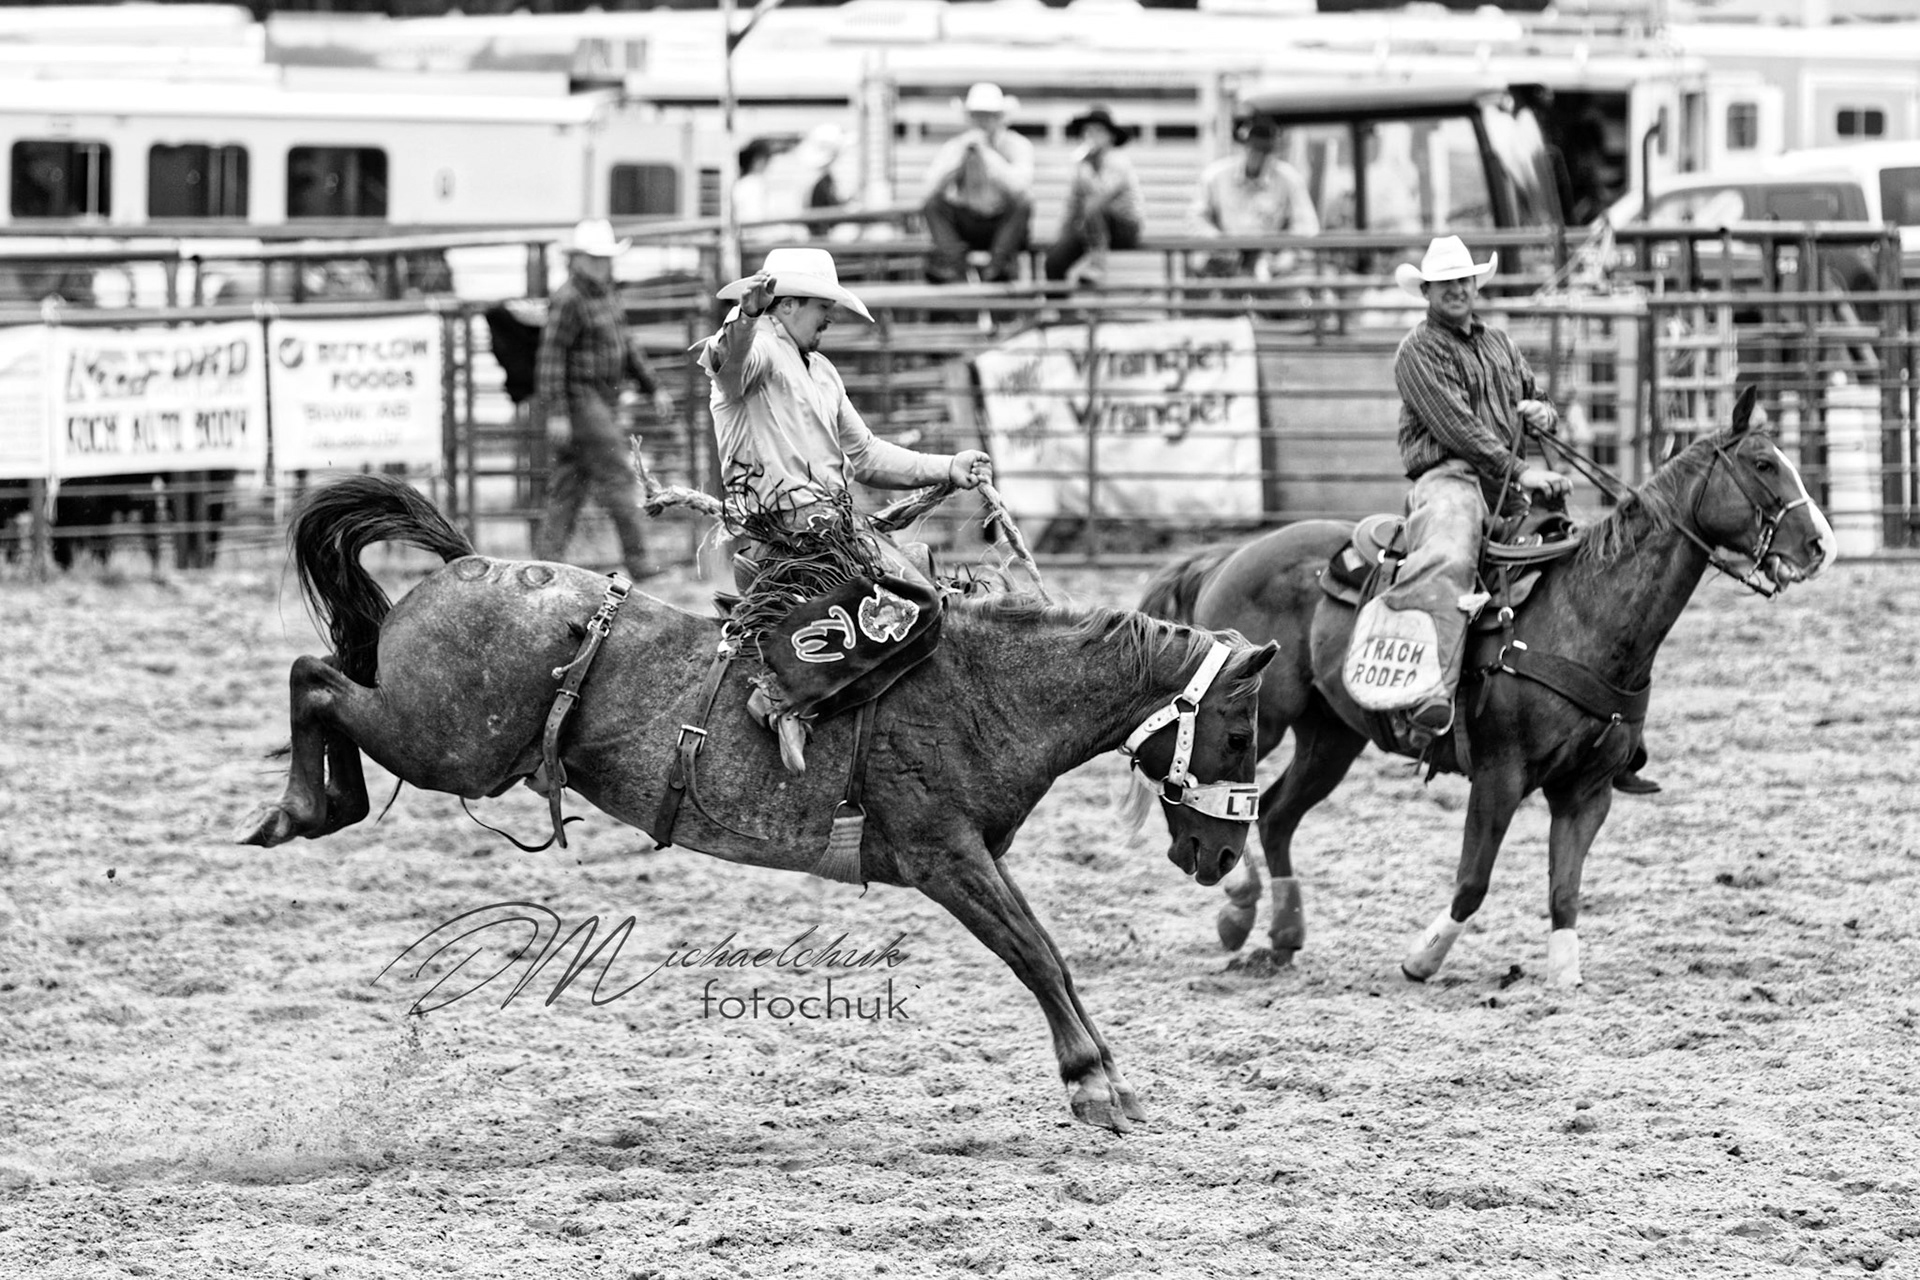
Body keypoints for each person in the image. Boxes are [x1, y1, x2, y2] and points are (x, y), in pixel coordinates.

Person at [1367, 235, 1659, 794]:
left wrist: (1541, 410)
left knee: (1577, 563)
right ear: (1426, 291)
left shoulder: (1499, 342)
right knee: (1450, 557)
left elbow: (1535, 393)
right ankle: (1431, 693)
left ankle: (1602, 721)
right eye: (1446, 283)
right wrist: (1520, 470)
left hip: (1507, 483)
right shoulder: (1417, 352)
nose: (1457, 289)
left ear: (1475, 285)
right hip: (1450, 481)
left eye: (1464, 280)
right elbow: (1458, 427)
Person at [694, 246, 994, 773]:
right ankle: (784, 696)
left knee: (919, 574)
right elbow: (726, 364)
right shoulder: (758, 349)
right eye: (820, 306)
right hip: (783, 534)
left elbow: (868, 455)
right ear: (785, 306)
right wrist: (745, 315)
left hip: (830, 527)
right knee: (911, 600)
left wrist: (948, 466)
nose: (830, 317)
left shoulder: (823, 372)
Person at [534, 218, 675, 583]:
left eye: (604, 258)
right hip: (583, 399)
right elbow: (552, 359)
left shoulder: (604, 294)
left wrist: (652, 385)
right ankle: (641, 563)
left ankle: (545, 563)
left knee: (570, 484)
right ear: (578, 260)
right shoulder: (569, 299)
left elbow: (626, 345)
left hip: (598, 400)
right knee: (617, 474)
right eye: (595, 258)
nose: (602, 265)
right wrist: (558, 412)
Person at [920, 82, 1035, 285]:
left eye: (988, 115)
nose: (982, 121)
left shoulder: (1018, 145)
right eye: (977, 115)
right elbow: (928, 189)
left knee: (1024, 204)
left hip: (1002, 226)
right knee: (933, 205)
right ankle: (956, 268)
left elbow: (1020, 188)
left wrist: (987, 155)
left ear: (1000, 118)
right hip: (967, 224)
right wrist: (957, 161)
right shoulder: (957, 146)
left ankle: (997, 268)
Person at [1187, 114, 1320, 278]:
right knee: (1200, 273)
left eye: (1264, 149)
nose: (1257, 155)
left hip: (1270, 263)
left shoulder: (1289, 179)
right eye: (1253, 147)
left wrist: (1286, 254)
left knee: (1299, 289)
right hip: (1224, 263)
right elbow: (1196, 219)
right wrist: (1218, 242)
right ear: (1243, 146)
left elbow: (1306, 227)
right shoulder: (1215, 176)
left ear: (1272, 151)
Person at [1045, 104, 1145, 288]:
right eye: (1088, 131)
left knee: (1092, 207)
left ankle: (1097, 268)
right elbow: (1073, 204)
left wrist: (1086, 169)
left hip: (1124, 227)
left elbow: (1101, 196)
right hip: (1091, 229)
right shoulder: (1083, 166)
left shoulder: (1118, 162)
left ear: (1111, 137)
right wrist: (1061, 238)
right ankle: (1063, 314)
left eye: (1098, 131)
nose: (1091, 136)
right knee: (1054, 261)